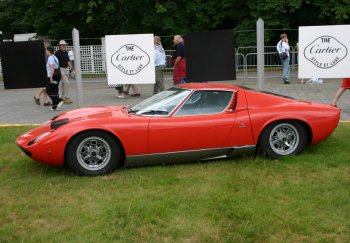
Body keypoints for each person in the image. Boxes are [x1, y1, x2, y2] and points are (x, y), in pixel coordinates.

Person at [55, 40, 75, 104]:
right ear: (60, 46)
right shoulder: (57, 53)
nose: (64, 46)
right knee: (67, 83)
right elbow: (55, 62)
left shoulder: (66, 52)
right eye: (62, 45)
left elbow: (68, 61)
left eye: (65, 45)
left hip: (66, 69)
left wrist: (72, 69)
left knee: (64, 84)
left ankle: (62, 98)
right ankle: (65, 97)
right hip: (60, 69)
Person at [34, 37, 52, 106]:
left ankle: (46, 101)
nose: (47, 43)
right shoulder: (41, 50)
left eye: (47, 42)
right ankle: (37, 96)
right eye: (45, 42)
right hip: (43, 70)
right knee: (46, 85)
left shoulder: (47, 50)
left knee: (47, 85)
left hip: (47, 69)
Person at [45, 46, 64, 111]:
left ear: (49, 51)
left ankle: (58, 100)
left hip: (53, 75)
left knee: (48, 90)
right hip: (58, 75)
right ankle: (55, 106)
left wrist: (51, 77)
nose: (46, 52)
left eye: (46, 50)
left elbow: (52, 67)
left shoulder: (50, 58)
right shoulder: (55, 57)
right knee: (55, 90)